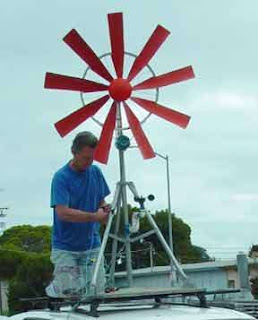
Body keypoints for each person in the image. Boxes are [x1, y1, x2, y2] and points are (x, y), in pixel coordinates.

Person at [46, 131, 111, 298]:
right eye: (85, 158)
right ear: (74, 153)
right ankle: (56, 287)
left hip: (91, 245)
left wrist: (104, 210)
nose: (89, 162)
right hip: (65, 247)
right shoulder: (61, 178)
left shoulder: (95, 172)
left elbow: (101, 201)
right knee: (70, 295)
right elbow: (63, 213)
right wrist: (94, 216)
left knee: (96, 294)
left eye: (92, 158)